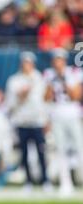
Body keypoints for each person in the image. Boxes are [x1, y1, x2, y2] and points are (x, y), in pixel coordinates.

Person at [5, 51, 49, 189]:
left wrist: (46, 119)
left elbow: (44, 101)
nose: (27, 65)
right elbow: (11, 103)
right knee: (24, 153)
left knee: (41, 151)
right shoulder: (14, 80)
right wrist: (22, 94)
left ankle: (45, 180)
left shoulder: (39, 78)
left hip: (37, 121)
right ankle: (28, 181)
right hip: (22, 121)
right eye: (25, 63)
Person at [44, 48, 83, 195]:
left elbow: (76, 96)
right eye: (55, 60)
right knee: (61, 150)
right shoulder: (48, 74)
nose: (57, 63)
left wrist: (63, 80)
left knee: (80, 148)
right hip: (57, 115)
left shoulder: (74, 72)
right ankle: (66, 183)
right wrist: (51, 84)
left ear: (64, 60)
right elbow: (46, 98)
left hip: (72, 114)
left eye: (59, 59)